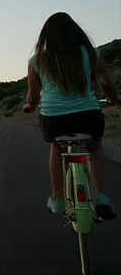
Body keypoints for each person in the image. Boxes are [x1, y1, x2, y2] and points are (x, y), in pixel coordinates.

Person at [23, 12, 118, 220]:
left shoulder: (37, 60)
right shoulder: (91, 54)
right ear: (75, 31)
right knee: (95, 148)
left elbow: (33, 96)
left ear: (46, 36)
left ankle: (57, 198)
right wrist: (115, 99)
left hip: (54, 121)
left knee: (56, 147)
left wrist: (29, 106)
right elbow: (105, 83)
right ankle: (101, 197)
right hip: (88, 117)